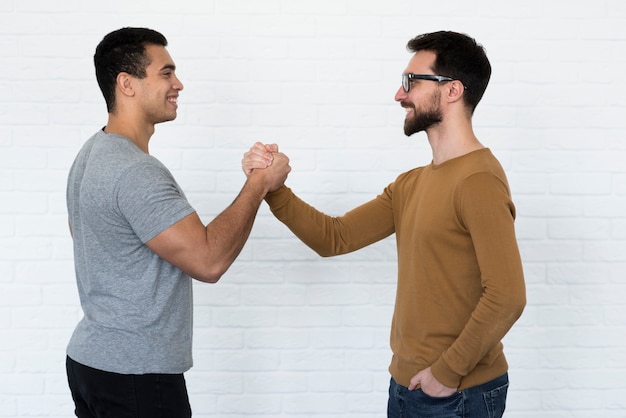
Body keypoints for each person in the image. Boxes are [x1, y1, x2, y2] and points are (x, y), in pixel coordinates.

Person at [243, 31, 526, 417]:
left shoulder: (478, 180)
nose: (399, 94)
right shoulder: (411, 184)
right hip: (409, 386)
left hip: (457, 393)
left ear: (452, 90)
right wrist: (272, 187)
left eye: (412, 81)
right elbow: (334, 238)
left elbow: (507, 296)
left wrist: (446, 372)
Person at [65, 27, 290, 417]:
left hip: (93, 364)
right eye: (166, 73)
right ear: (127, 84)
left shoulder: (91, 154)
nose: (178, 84)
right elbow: (208, 261)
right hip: (135, 375)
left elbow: (85, 233)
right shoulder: (135, 171)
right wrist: (258, 185)